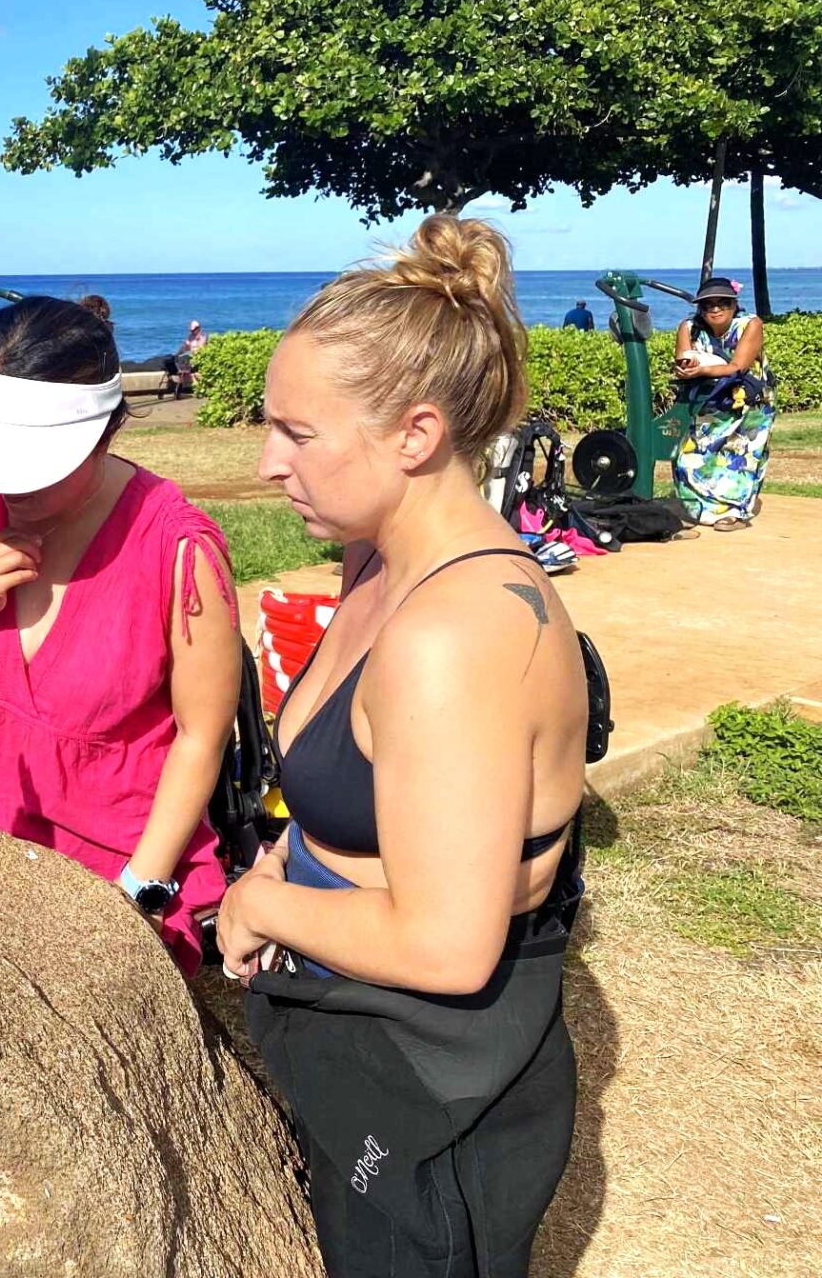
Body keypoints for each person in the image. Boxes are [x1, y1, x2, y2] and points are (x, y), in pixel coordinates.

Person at [216, 215, 586, 1277]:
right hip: (362, 1040)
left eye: (298, 431)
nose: (266, 461)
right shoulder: (380, 559)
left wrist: (258, 901)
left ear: (416, 435)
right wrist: (294, 856)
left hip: (435, 1101)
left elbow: (448, 945)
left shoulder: (451, 634)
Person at [0, 298, 240, 973]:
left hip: (114, 870)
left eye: (36, 464)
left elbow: (201, 736)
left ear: (103, 434)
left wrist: (140, 891)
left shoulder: (175, 546)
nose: (10, 485)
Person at [673, 276, 774, 531]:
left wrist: (699, 369)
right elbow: (683, 361)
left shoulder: (750, 324)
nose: (715, 309)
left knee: (741, 456)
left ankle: (735, 512)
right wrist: (686, 369)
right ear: (700, 308)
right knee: (687, 455)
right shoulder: (688, 327)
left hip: (751, 400)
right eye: (708, 305)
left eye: (723, 303)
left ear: (734, 304)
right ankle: (705, 510)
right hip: (710, 397)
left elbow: (738, 367)